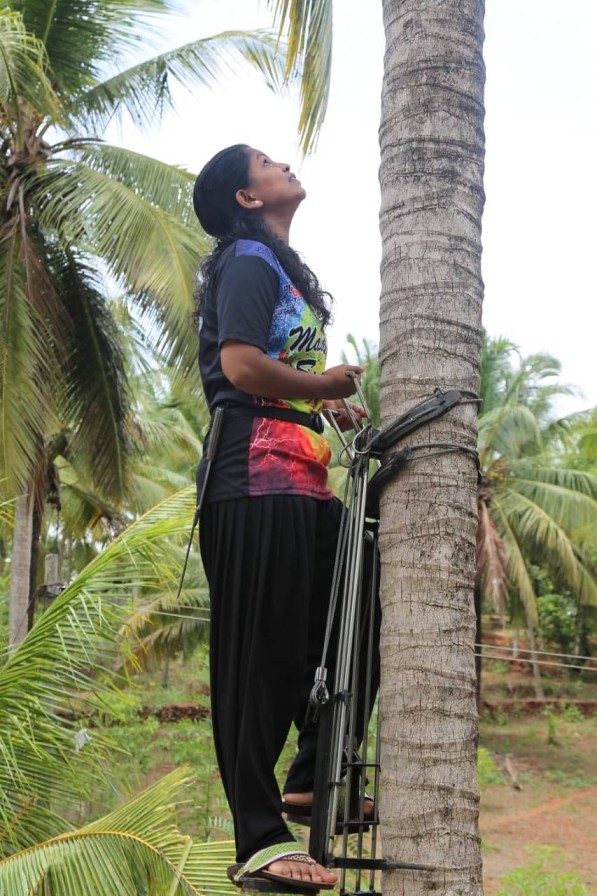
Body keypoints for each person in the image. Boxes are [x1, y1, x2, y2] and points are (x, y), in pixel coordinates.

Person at [192, 144, 367, 892]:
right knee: (256, 658)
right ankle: (259, 838)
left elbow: (271, 367)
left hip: (300, 475)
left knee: (366, 600)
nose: (284, 164)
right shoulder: (245, 262)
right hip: (250, 477)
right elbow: (237, 367)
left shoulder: (279, 269)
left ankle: (308, 772)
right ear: (245, 197)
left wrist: (320, 400)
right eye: (266, 161)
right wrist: (319, 380)